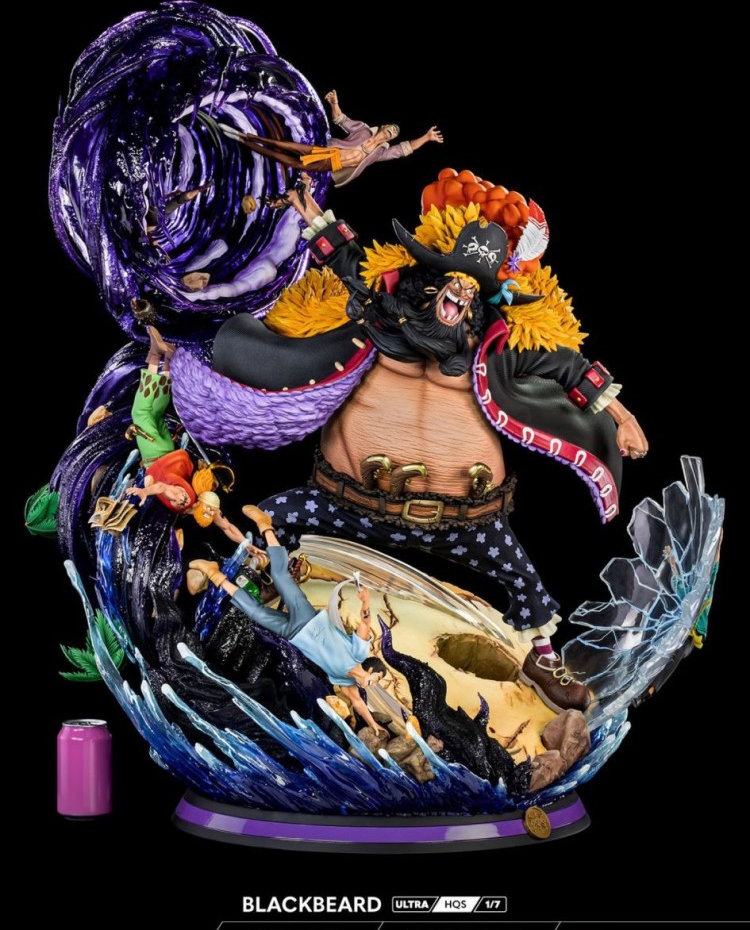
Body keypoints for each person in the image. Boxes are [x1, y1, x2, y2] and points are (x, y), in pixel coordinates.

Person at [207, 180, 649, 714]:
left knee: (527, 584)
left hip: (462, 521)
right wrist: (309, 212)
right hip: (346, 502)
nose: (459, 292)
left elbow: (572, 368)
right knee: (268, 519)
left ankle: (541, 661)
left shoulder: (498, 349)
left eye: (472, 288)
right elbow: (344, 254)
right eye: (451, 279)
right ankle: (229, 600)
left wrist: (623, 419)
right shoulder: (381, 311)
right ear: (427, 279)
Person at [190, 505, 390, 733]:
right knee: (279, 575)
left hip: (292, 634)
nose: (372, 685)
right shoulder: (359, 652)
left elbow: (358, 703)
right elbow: (365, 623)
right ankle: (265, 525)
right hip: (307, 617)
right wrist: (365, 602)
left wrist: (374, 725)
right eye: (375, 680)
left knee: (255, 612)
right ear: (370, 671)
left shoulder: (343, 680)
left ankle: (213, 573)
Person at [124, 327, 251, 548]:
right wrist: (144, 491)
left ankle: (168, 360)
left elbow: (226, 527)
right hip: (155, 455)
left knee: (155, 413)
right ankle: (156, 355)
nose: (213, 513)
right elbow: (162, 489)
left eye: (210, 512)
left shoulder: (199, 497)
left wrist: (247, 545)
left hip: (170, 450)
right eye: (212, 512)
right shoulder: (183, 503)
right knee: (140, 413)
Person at [221, 89, 443, 189]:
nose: (390, 133)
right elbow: (341, 120)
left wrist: (426, 137)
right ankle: (246, 135)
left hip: (332, 164)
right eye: (390, 129)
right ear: (382, 127)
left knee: (289, 161)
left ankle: (245, 143)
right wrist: (335, 103)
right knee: (288, 145)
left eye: (393, 134)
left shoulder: (380, 153)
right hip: (327, 150)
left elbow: (404, 150)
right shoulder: (364, 130)